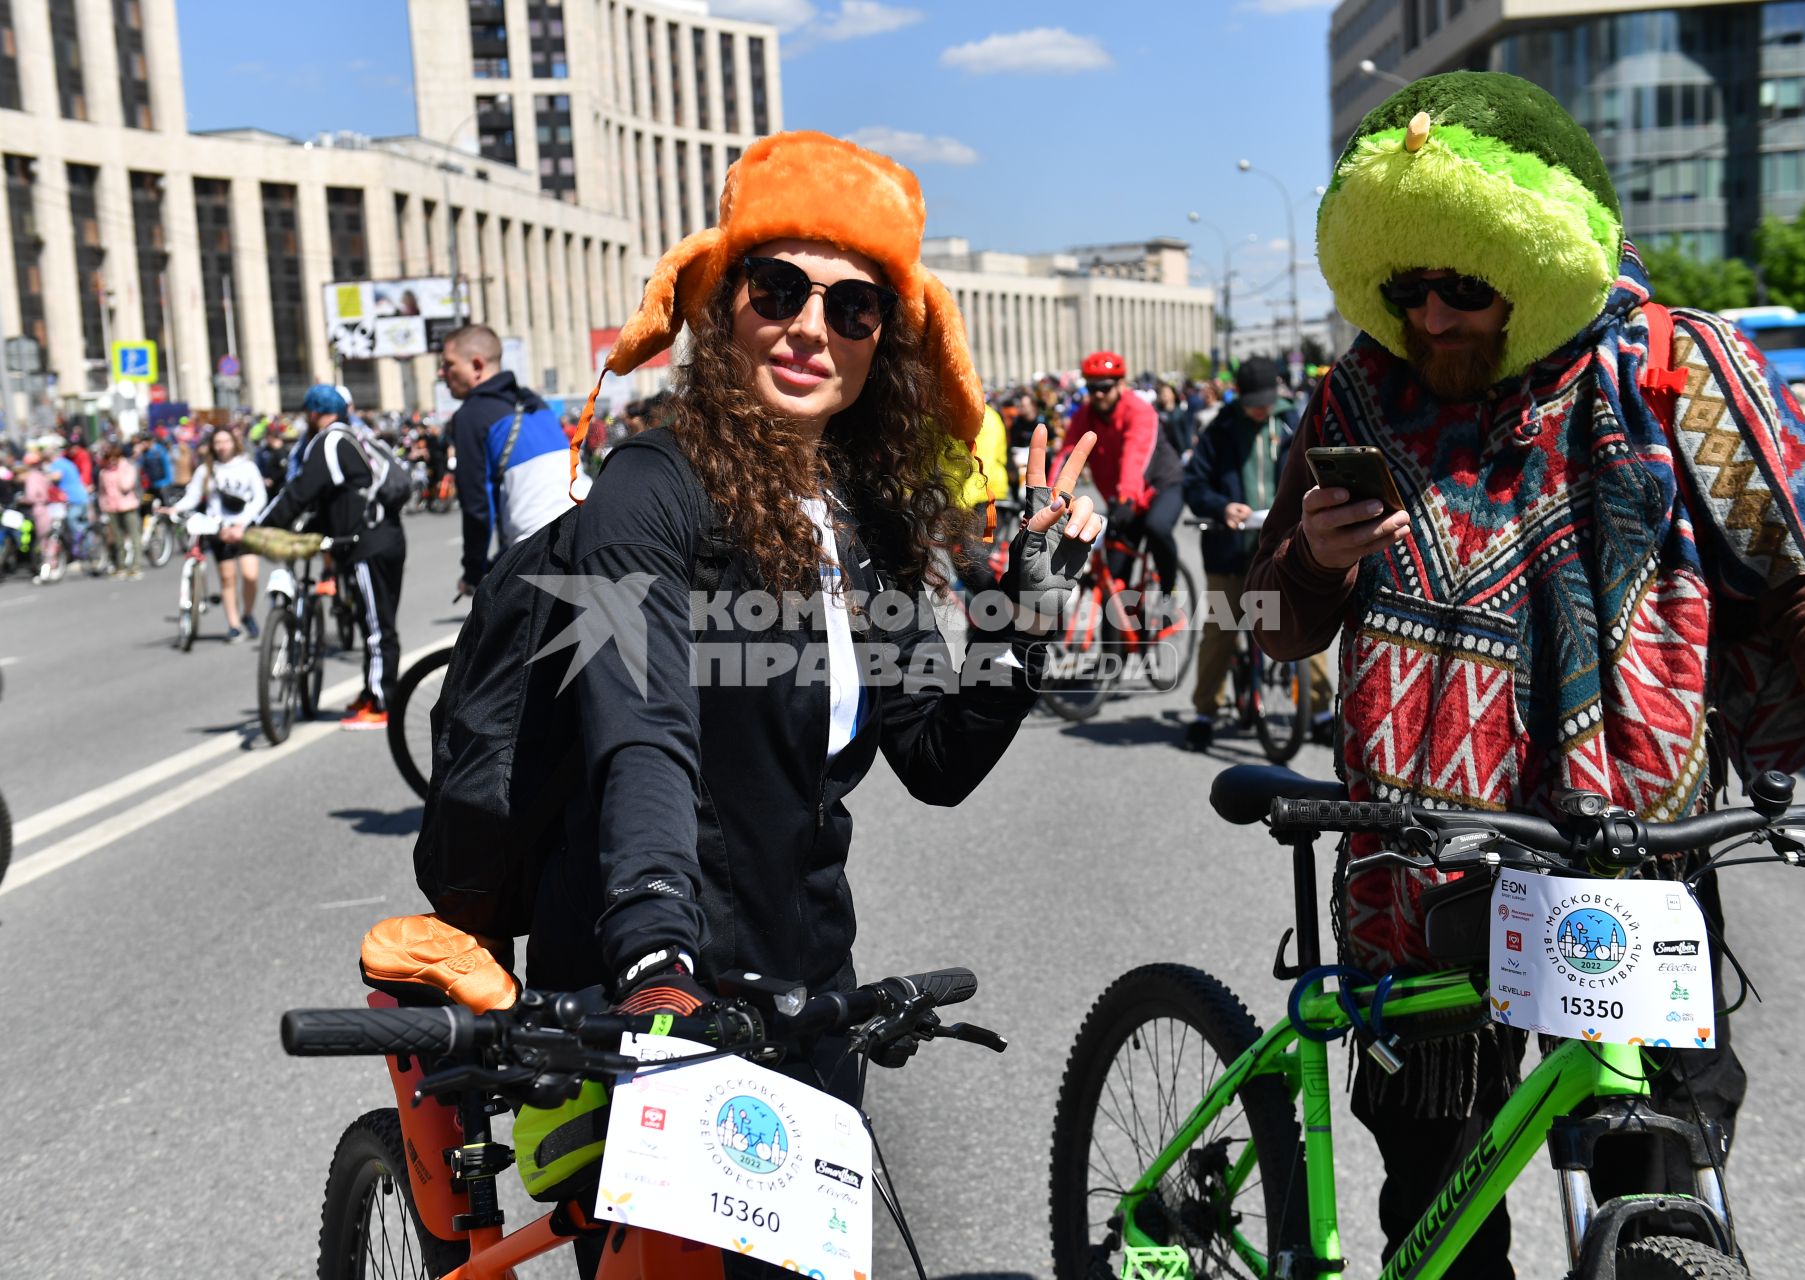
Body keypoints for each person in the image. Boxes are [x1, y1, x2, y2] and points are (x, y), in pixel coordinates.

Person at [1246, 71, 1805, 1277]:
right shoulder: (1353, 390)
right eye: (1407, 286)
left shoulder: (1676, 367)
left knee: (1658, 1177)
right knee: (1436, 1201)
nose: (1432, 316)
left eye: (1465, 285)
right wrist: (1304, 565)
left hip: (1624, 863)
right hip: (1410, 876)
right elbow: (1262, 621)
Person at [509, 132, 1101, 1275]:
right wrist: (651, 954)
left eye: (852, 308)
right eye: (777, 289)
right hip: (652, 976)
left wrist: (1018, 627)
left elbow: (932, 751)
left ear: (886, 341)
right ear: (723, 302)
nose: (809, 328)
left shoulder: (861, 518)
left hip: (807, 995)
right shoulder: (650, 487)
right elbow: (642, 732)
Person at [1181, 355, 1333, 750]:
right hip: (1228, 550)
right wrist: (1221, 507)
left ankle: (1319, 712)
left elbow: (1316, 472)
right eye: (1254, 401)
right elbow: (1194, 485)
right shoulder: (1220, 429)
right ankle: (1204, 713)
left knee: (1303, 627)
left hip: (1285, 546)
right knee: (1220, 631)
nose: (1260, 407)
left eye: (1267, 400)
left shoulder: (1291, 424)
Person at [237, 386, 405, 728]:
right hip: (382, 537)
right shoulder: (352, 436)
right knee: (371, 621)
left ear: (314, 414)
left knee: (376, 627)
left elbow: (299, 492)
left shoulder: (328, 442)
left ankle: (382, 702)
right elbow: (329, 499)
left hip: (367, 543)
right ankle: (372, 691)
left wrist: (259, 527)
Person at [437, 323, 576, 596]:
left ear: (476, 366)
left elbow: (478, 507)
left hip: (539, 552)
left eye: (448, 365)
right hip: (588, 525)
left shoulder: (470, 415)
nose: (442, 373)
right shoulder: (533, 401)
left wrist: (474, 573)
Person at [1067, 350, 1185, 595]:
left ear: (1120, 384)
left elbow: (1135, 457)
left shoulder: (1139, 410)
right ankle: (1128, 630)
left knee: (1157, 527)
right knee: (1114, 583)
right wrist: (1048, 497)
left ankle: (1168, 584)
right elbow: (1067, 456)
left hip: (1160, 486)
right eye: (1092, 389)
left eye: (1105, 387)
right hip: (1123, 498)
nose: (1098, 394)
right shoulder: (1083, 417)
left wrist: (1125, 499)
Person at [162, 425, 268, 642]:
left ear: (233, 442)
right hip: (218, 528)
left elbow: (259, 498)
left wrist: (242, 522)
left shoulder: (247, 467)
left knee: (250, 575)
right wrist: (175, 508)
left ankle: (247, 614)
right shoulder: (206, 470)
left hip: (245, 528)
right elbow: (193, 497)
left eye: (225, 441)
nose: (221, 447)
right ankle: (234, 624)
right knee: (227, 578)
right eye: (217, 442)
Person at [95, 444, 143, 578]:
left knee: (134, 536)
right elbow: (102, 492)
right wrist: (103, 506)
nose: (112, 461)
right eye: (109, 458)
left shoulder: (128, 468)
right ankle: (120, 565)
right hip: (111, 508)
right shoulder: (103, 473)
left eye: (115, 458)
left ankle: (136, 566)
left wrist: (121, 468)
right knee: (117, 539)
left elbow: (126, 486)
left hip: (128, 506)